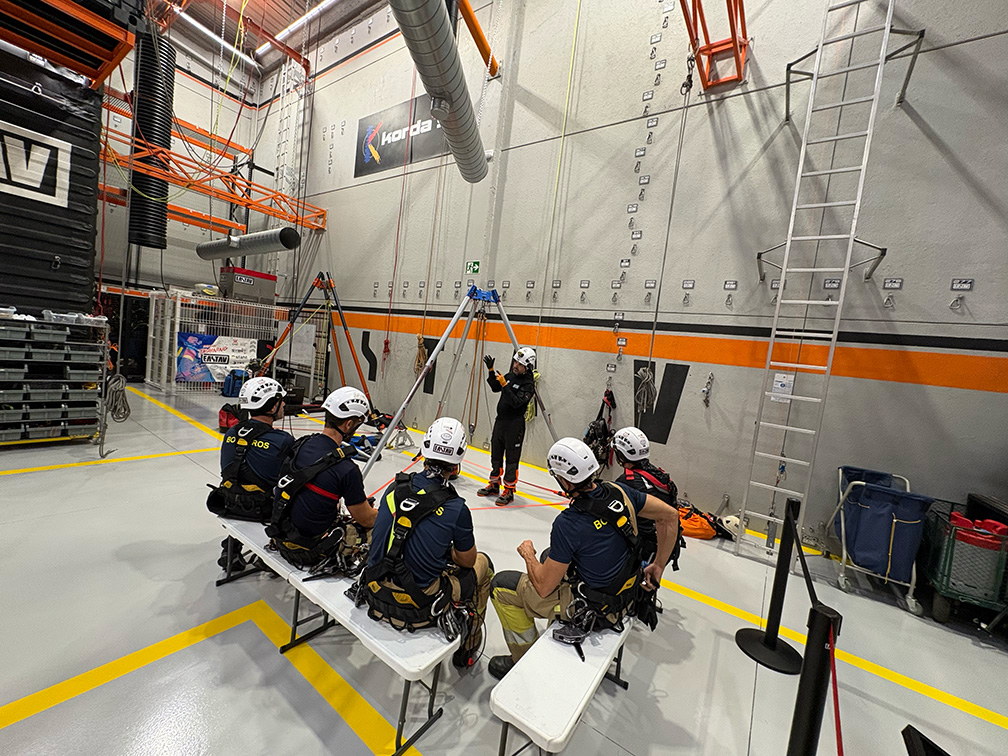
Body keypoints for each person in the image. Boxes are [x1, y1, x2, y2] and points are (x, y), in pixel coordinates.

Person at [487, 437, 680, 679]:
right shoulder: (620, 491)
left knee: (501, 586)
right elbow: (670, 516)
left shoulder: (568, 523)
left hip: (597, 610)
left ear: (565, 480)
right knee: (551, 556)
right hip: (626, 594)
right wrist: (658, 565)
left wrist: (528, 555)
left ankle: (522, 660)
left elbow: (544, 588)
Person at [359, 417, 494, 670]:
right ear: (457, 461)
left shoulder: (394, 488)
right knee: (484, 565)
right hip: (418, 604)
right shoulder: (456, 507)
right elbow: (467, 560)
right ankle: (468, 646)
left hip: (375, 589)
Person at [267, 386, 376, 574]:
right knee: (382, 528)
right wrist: (382, 515)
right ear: (349, 424)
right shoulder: (347, 469)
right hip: (312, 549)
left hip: (281, 535)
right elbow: (366, 519)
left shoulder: (301, 444)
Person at [208, 377, 295, 573]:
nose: (284, 405)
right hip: (262, 510)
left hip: (230, 503)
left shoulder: (232, 432)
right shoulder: (283, 441)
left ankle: (231, 549)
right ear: (271, 407)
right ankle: (277, 550)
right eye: (281, 401)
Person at [612, 426, 683, 567]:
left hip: (643, 551)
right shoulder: (658, 475)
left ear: (620, 455)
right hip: (665, 545)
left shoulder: (626, 481)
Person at [477, 346, 537, 506]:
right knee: (496, 453)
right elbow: (495, 387)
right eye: (515, 362)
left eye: (519, 364)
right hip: (501, 421)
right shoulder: (511, 376)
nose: (515, 365)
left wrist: (505, 386)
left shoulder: (528, 385)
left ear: (527, 366)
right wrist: (491, 371)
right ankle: (494, 484)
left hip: (514, 425)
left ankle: (509, 490)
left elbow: (516, 403)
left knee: (512, 458)